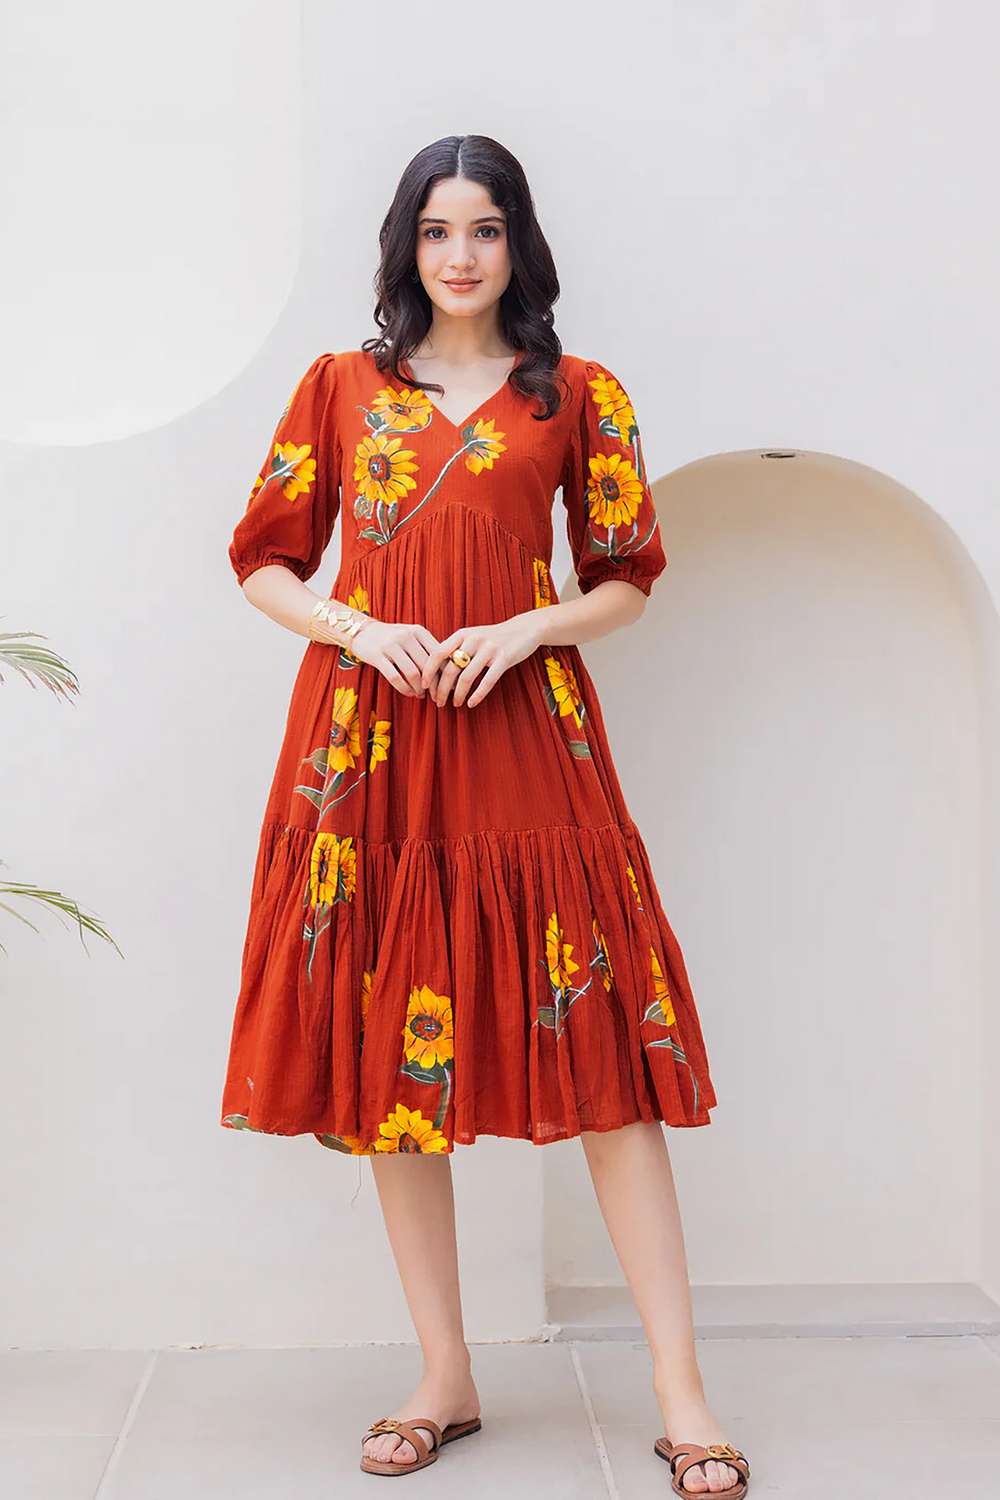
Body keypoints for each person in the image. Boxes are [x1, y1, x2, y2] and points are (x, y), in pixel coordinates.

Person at [220, 134, 749, 1496]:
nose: (461, 255)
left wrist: (527, 628)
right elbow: (264, 560)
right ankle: (444, 1374)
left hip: (526, 736)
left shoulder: (577, 393)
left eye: (487, 229)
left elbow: (628, 576)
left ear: (521, 244)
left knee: (609, 1058)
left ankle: (682, 1393)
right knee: (393, 1061)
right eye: (438, 230)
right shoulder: (340, 387)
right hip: (368, 746)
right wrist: (356, 626)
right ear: (406, 244)